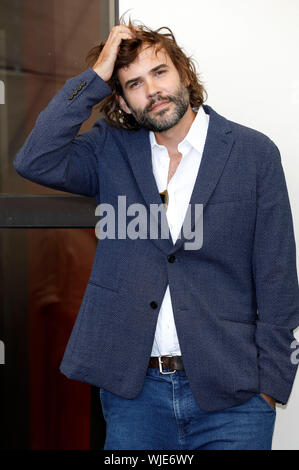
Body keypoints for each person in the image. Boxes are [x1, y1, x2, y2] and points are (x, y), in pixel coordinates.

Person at [13, 19, 299, 450]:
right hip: (136, 397)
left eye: (160, 72)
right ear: (123, 102)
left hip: (234, 399)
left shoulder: (253, 154)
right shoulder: (109, 149)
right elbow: (34, 159)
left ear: (183, 72)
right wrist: (94, 78)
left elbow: (278, 276)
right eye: (134, 83)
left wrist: (272, 387)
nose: (153, 90)